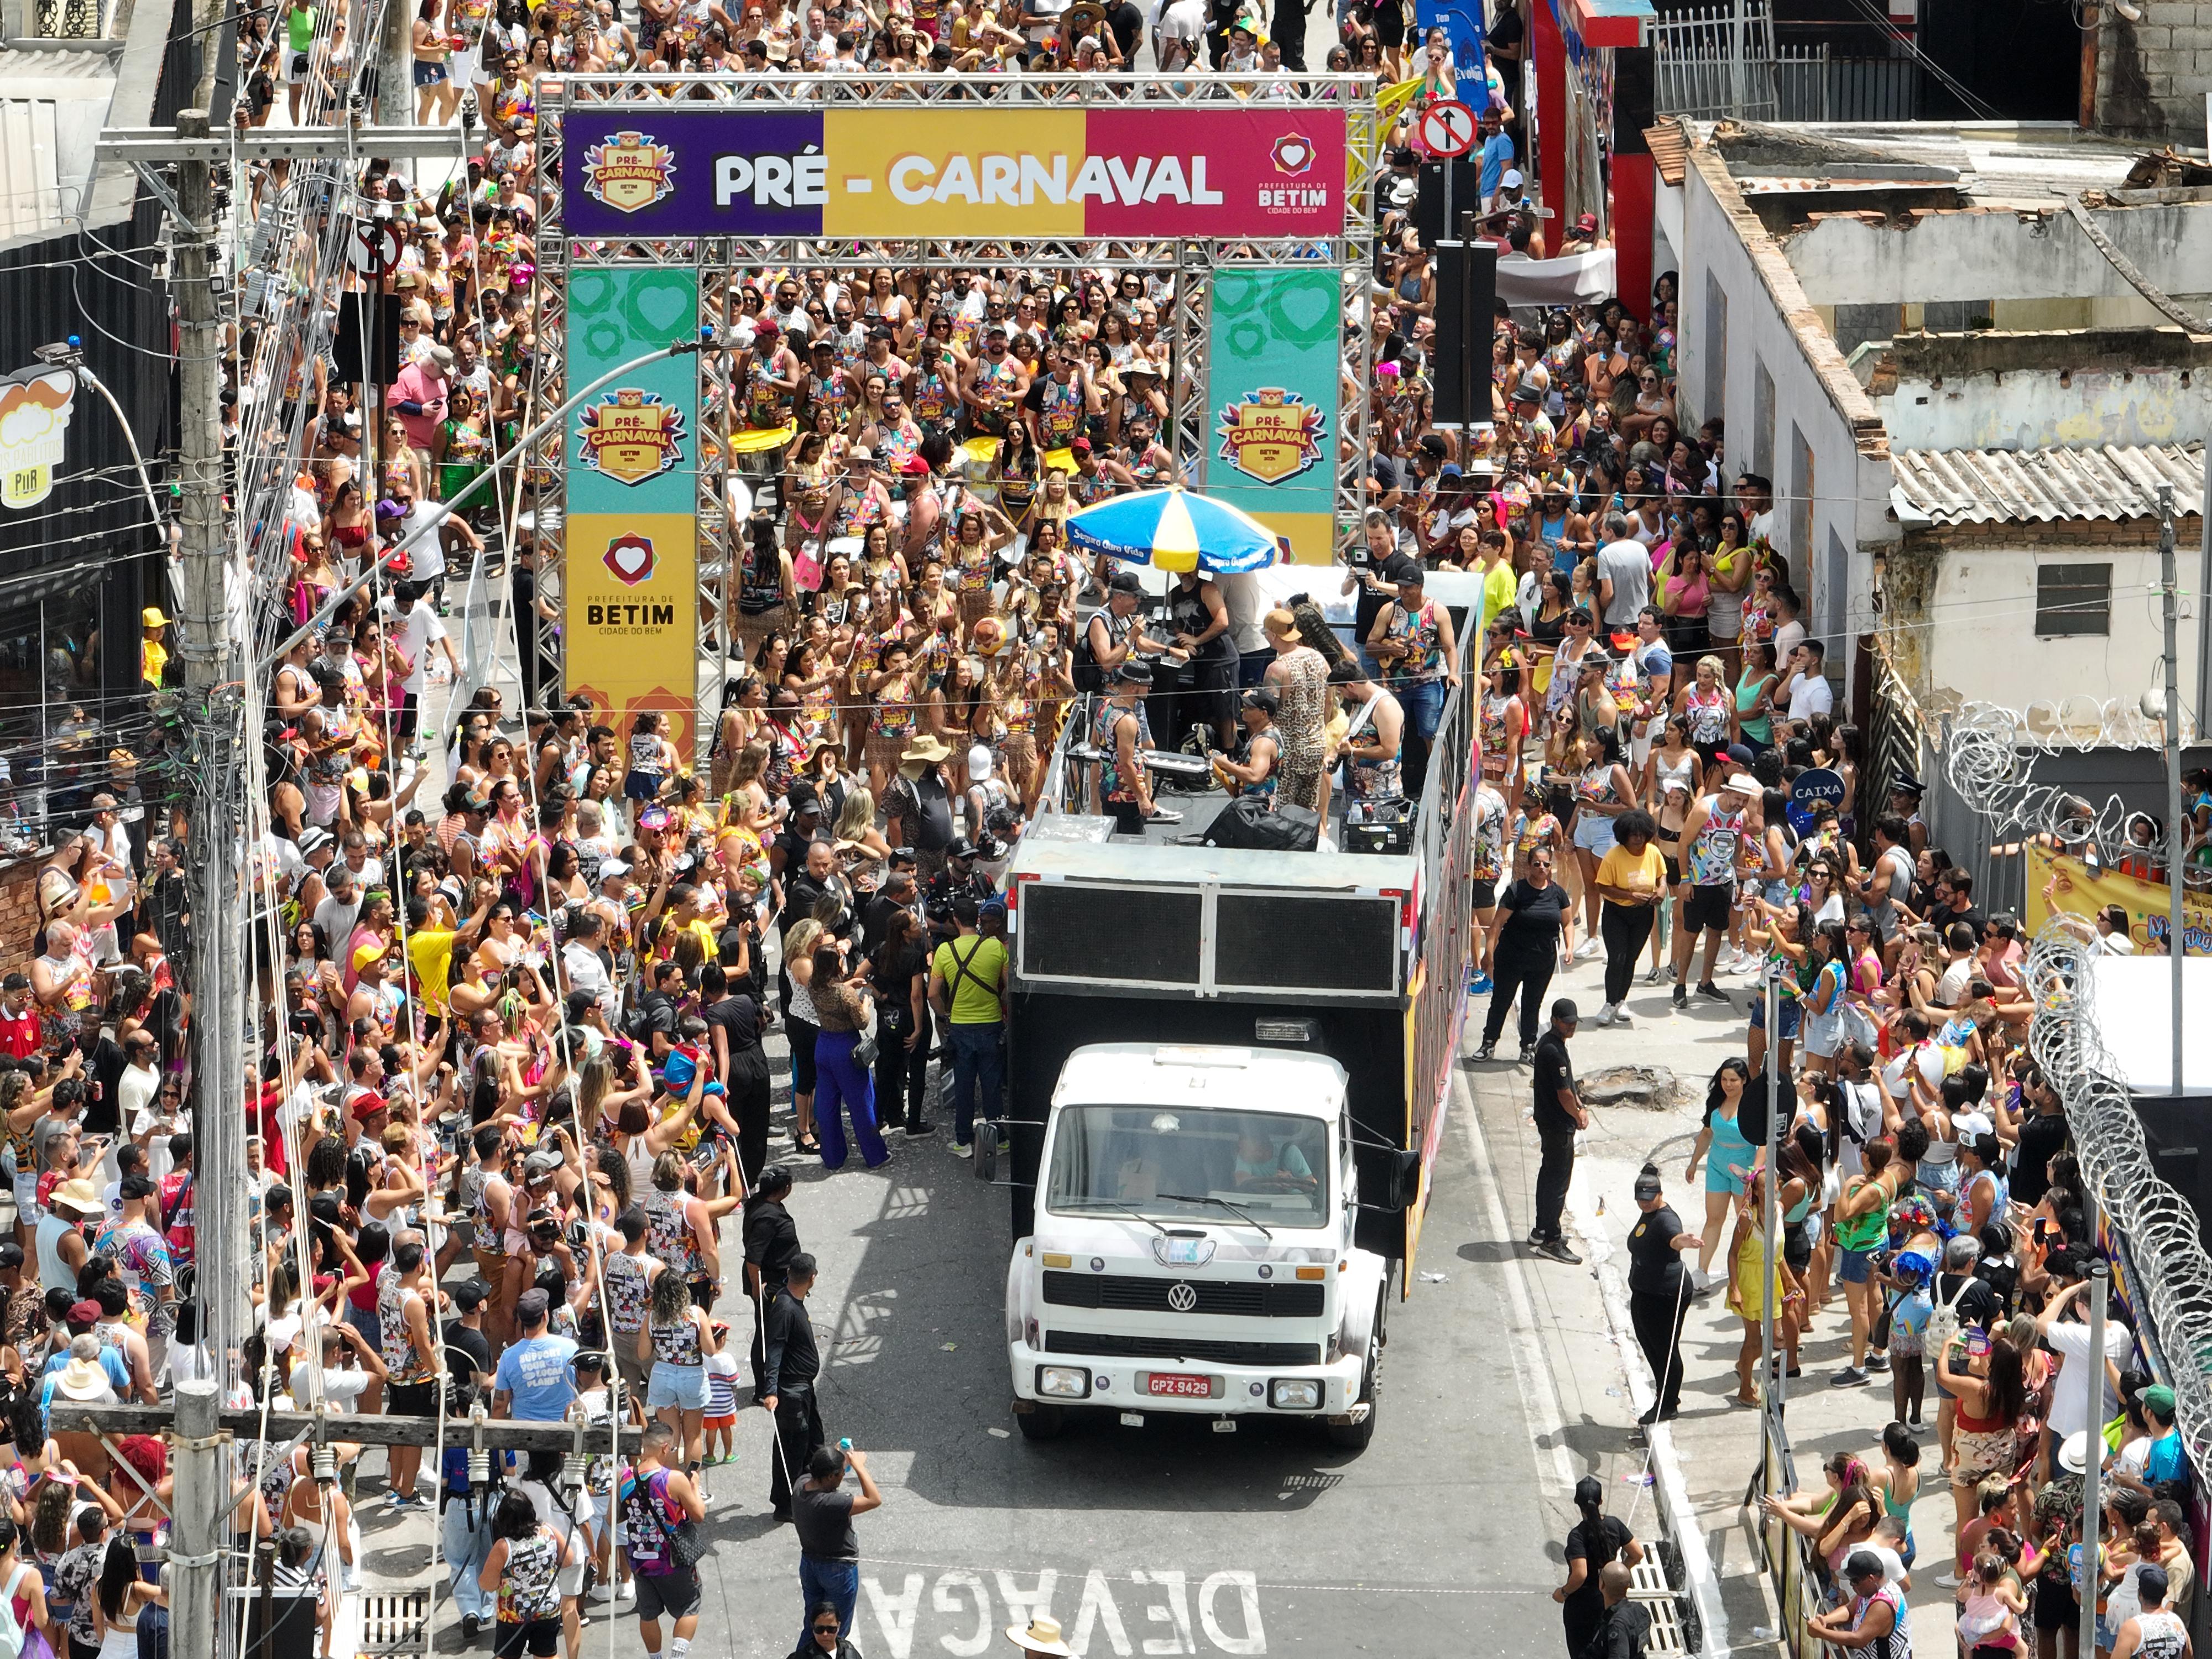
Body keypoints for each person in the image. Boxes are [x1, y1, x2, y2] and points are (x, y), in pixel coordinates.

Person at [619, 1423, 706, 1659]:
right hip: (670, 1558)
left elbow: (613, 1518)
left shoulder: (624, 1477)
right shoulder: (674, 1479)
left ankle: (655, 1657)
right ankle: (676, 1657)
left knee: (648, 1613)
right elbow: (698, 1514)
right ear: (665, 1448)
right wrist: (695, 1487)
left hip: (639, 1557)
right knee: (690, 1606)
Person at [930, 894, 1008, 1156]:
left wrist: (945, 1016)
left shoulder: (944, 951)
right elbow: (1009, 988)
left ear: (954, 920)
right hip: (991, 1024)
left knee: (964, 1086)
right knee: (992, 1084)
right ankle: (999, 1139)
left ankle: (963, 1142)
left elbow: (932, 994)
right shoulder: (996, 948)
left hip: (961, 1027)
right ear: (977, 920)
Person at [1478, 848, 1573, 1062]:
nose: (1542, 868)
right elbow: (1497, 925)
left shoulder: (1557, 893)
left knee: (1532, 1004)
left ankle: (1528, 1047)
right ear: (1529, 865)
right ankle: (1489, 1043)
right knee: (1501, 1001)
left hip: (1543, 962)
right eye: (1537, 864)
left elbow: (1567, 923)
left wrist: (1569, 948)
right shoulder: (1516, 892)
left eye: (1546, 864)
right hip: (1511, 959)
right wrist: (1489, 953)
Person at [1625, 1164, 1699, 1425]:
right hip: (1644, 1292)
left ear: (1660, 1195)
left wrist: (1684, 1241)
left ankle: (1668, 1403)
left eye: (1649, 1199)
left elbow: (1674, 1238)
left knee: (1665, 1350)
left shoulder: (1667, 1218)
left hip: (1667, 1294)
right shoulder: (1648, 1213)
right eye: (1640, 1200)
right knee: (1648, 1342)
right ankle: (1664, 1395)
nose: (1644, 1204)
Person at [794, 1443, 881, 1647]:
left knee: (813, 1624)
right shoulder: (830, 1503)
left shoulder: (801, 1484)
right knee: (835, 1631)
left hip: (810, 1565)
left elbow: (819, 1468)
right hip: (837, 1570)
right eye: (843, 1473)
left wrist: (835, 1455)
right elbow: (874, 1499)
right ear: (831, 1476)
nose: (844, 1476)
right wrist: (859, 1466)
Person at [764, 1253, 826, 1523]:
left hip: (803, 1390)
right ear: (812, 1279)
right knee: (792, 1450)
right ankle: (787, 1505)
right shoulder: (786, 1308)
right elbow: (774, 1348)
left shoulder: (790, 1298)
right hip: (791, 1393)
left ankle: (813, 1491)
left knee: (814, 1442)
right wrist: (770, 1390)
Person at [1556, 1473, 1644, 1657]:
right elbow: (1637, 1554)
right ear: (1601, 1501)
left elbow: (1580, 1575)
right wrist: (1616, 1574)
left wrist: (1563, 1592)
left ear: (1577, 1503)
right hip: (1609, 1598)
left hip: (1582, 1605)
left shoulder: (1577, 1536)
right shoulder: (1615, 1525)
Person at [1592, 809, 1665, 1028]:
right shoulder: (1613, 856)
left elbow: (1662, 875)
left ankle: (1622, 1001)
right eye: (1633, 834)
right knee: (1617, 958)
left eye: (1642, 834)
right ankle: (1609, 1003)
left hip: (1643, 914)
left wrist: (1661, 891)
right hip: (1617, 913)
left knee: (1631, 959)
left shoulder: (1653, 852)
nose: (1638, 838)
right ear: (1624, 835)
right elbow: (1602, 886)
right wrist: (1629, 895)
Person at [1529, 1000, 1586, 1265]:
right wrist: (1578, 1114)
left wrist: (1580, 1103)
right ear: (1554, 1020)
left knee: (1549, 1174)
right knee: (1558, 1183)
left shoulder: (1554, 1044)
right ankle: (1551, 1240)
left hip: (1550, 1122)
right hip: (1557, 1125)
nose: (1571, 1025)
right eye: (1567, 1021)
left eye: (1574, 1021)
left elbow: (1569, 1084)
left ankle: (1542, 1229)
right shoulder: (1553, 1050)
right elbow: (1564, 1094)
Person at [1806, 1551, 1911, 1659]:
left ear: (1871, 1579)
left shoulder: (1882, 1604)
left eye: (1855, 1581)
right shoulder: (1870, 1590)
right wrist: (1826, 1620)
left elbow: (1859, 1640)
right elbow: (1849, 1609)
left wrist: (1821, 1632)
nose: (1852, 1585)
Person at [792, 1600, 867, 1659]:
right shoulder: (802, 1656)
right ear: (813, 1627)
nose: (825, 1634)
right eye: (820, 1629)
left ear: (839, 1626)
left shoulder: (850, 1653)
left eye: (831, 1629)